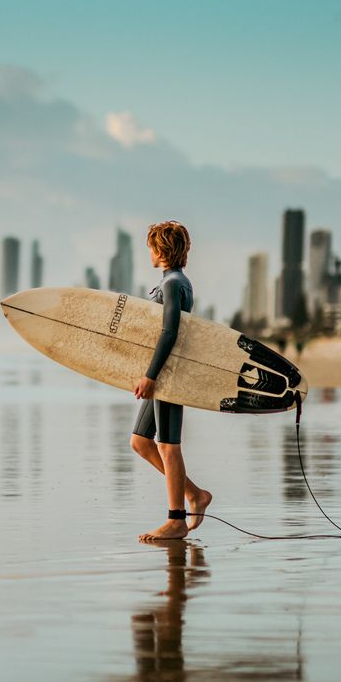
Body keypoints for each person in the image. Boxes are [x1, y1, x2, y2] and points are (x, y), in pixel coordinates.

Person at [130, 221, 212, 542]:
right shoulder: (176, 282)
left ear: (160, 249)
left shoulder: (173, 284)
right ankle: (195, 494)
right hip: (164, 372)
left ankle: (176, 518)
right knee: (141, 441)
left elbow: (170, 331)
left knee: (168, 445)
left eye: (150, 246)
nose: (148, 252)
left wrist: (151, 376)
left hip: (168, 374)